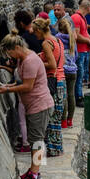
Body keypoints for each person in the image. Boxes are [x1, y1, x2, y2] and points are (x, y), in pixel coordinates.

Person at [0, 34, 54, 179]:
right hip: (33, 105)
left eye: (10, 53)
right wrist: (10, 86)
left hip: (40, 105)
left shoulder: (30, 61)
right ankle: (33, 170)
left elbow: (28, 86)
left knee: (37, 141)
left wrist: (7, 89)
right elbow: (21, 81)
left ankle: (35, 175)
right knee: (35, 140)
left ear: (16, 48)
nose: (9, 57)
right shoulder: (23, 59)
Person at [33, 17, 64, 157]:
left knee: (50, 117)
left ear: (39, 30)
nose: (35, 35)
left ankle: (51, 149)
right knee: (56, 116)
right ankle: (57, 147)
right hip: (61, 80)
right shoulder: (57, 40)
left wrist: (37, 62)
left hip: (52, 80)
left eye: (35, 32)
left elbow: (52, 65)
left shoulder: (46, 43)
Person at [70, 0, 90, 111]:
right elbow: (77, 35)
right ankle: (78, 97)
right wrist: (88, 41)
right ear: (88, 8)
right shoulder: (76, 17)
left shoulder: (82, 18)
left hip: (85, 50)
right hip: (79, 50)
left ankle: (79, 94)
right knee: (79, 74)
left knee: (82, 74)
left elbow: (85, 32)